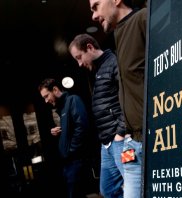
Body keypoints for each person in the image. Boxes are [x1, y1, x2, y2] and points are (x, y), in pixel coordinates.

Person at [89, 0, 147, 197]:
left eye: (96, 6)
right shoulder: (118, 34)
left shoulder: (143, 19)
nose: (93, 16)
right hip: (131, 143)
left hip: (152, 139)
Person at [68, 33, 126, 198]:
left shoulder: (114, 63)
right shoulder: (98, 70)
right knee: (108, 191)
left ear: (90, 47)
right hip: (107, 144)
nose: (79, 63)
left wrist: (120, 133)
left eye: (79, 57)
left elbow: (128, 98)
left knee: (135, 187)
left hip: (118, 141)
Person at [38, 78, 89, 198]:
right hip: (68, 162)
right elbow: (71, 129)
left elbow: (82, 127)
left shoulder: (73, 100)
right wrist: (59, 132)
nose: (46, 101)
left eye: (46, 96)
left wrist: (71, 151)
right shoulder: (60, 108)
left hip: (75, 160)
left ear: (55, 89)